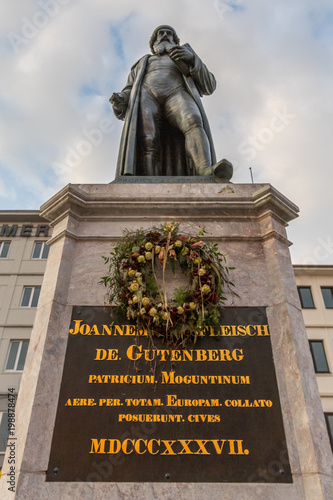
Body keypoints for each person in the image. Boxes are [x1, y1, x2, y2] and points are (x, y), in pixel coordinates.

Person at [110, 25, 232, 180]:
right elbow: (130, 89)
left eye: (169, 34)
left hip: (177, 92)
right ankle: (148, 180)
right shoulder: (143, 63)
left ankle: (205, 169)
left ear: (175, 40)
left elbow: (209, 85)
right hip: (147, 94)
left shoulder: (186, 56)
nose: (165, 35)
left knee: (193, 120)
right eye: (160, 33)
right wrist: (121, 99)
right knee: (148, 137)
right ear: (153, 44)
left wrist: (193, 59)